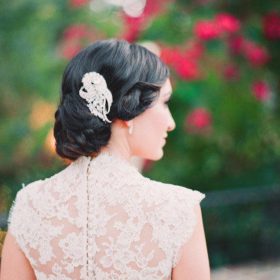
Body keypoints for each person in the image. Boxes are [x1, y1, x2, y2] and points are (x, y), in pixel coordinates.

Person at [1, 39, 210, 279]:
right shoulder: (179, 209)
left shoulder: (30, 204)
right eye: (164, 102)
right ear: (129, 108)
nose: (171, 122)